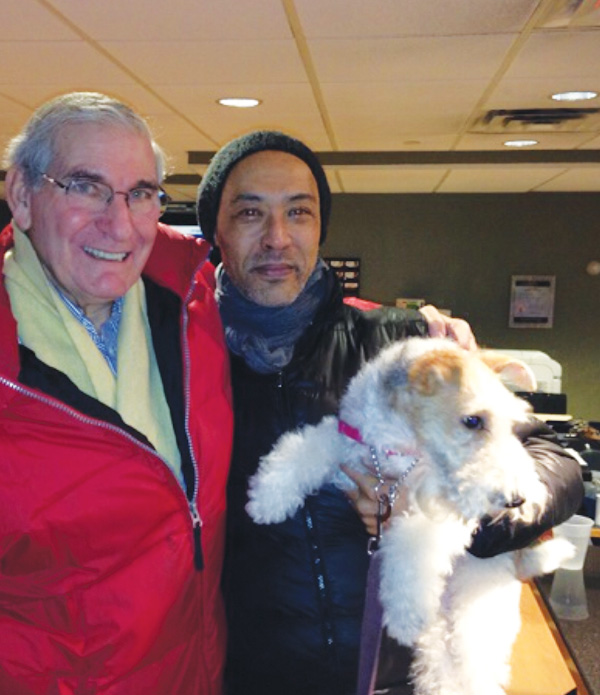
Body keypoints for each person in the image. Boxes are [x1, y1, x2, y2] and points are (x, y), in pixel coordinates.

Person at [196, 130, 584, 695]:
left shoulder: (401, 343)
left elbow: (553, 460)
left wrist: (455, 514)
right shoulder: (184, 364)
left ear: (319, 227)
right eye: (250, 212)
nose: (277, 238)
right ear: (216, 232)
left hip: (400, 672)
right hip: (257, 674)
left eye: (298, 212)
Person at [0, 92, 233, 695]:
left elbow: (287, 319)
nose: (120, 221)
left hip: (198, 670)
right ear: (22, 196)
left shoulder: (189, 298)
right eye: (86, 186)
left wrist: (412, 328)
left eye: (141, 193)